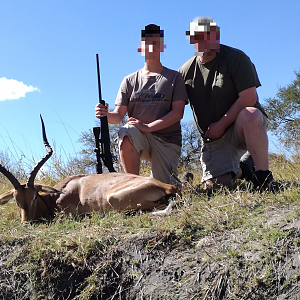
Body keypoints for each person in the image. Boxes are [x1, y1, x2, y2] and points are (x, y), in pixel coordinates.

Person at [179, 17, 273, 191]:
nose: (205, 39)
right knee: (217, 186)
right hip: (214, 138)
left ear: (217, 35)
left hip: (241, 126)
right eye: (199, 35)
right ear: (192, 39)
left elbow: (249, 98)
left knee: (250, 114)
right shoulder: (185, 71)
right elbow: (175, 107)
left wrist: (221, 125)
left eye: (209, 34)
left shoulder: (236, 57)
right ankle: (244, 169)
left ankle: (263, 177)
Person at [95, 24, 188, 185]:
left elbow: (177, 113)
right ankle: (133, 186)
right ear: (141, 48)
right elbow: (117, 116)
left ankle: (178, 182)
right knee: (126, 132)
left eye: (155, 43)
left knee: (165, 190)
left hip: (167, 140)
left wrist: (149, 127)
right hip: (139, 137)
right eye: (147, 43)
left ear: (162, 47)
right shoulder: (129, 80)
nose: (151, 47)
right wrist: (105, 113)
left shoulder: (175, 77)